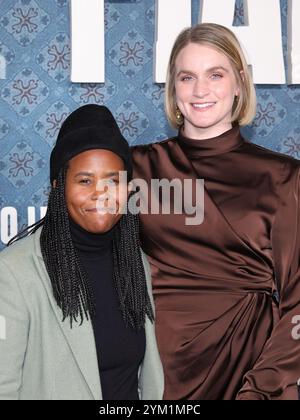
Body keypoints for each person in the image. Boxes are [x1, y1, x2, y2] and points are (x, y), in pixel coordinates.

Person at [132, 23, 300, 400]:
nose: (200, 90)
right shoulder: (138, 168)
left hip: (250, 370)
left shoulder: (284, 178)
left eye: (216, 74)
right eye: (187, 77)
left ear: (240, 83)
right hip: (154, 375)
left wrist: (260, 387)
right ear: (173, 89)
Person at [0, 104, 164, 400]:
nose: (100, 193)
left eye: (114, 180)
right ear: (57, 187)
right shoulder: (13, 272)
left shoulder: (135, 263)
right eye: (85, 180)